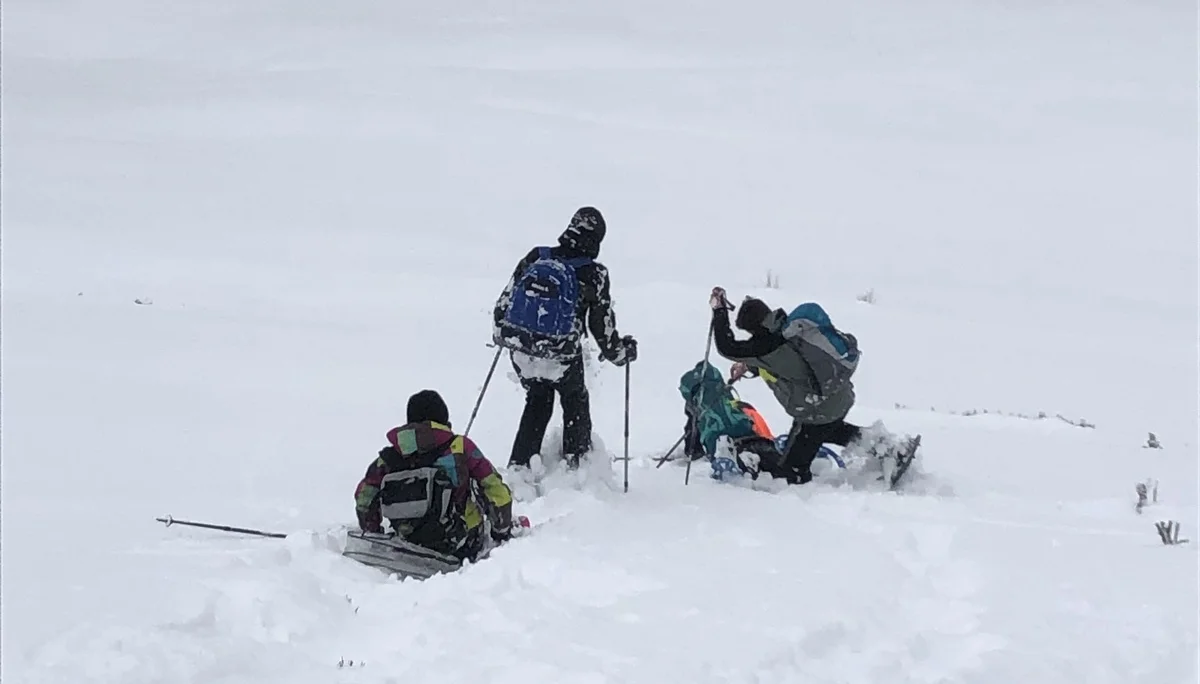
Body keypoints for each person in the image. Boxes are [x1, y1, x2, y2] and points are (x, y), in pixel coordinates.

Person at [492, 207, 638, 471]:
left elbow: (504, 304)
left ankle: (520, 468)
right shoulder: (595, 274)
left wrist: (506, 336)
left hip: (522, 351)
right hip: (561, 354)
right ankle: (577, 466)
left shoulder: (538, 257)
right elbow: (600, 328)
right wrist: (621, 354)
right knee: (575, 399)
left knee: (538, 399)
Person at [707, 287, 867, 485]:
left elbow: (727, 347)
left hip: (816, 412)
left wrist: (719, 311)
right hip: (839, 397)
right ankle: (883, 445)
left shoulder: (766, 345)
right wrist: (750, 365)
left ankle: (800, 497)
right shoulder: (788, 330)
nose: (750, 337)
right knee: (829, 430)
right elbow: (792, 364)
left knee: (791, 471)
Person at [353, 390, 515, 563]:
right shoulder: (460, 447)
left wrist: (373, 533)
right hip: (461, 544)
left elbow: (364, 496)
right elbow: (495, 488)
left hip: (408, 540)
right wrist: (502, 531)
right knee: (475, 486)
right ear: (444, 420)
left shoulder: (391, 457)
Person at [678, 360, 774, 461]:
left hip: (718, 443)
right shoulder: (735, 401)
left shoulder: (696, 400)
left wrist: (692, 451)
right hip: (751, 437)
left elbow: (692, 435)